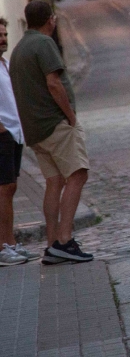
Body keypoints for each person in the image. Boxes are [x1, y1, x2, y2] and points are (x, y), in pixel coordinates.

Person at [10, 0, 93, 263]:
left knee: (54, 182)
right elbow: (54, 84)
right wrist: (70, 117)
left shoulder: (19, 48)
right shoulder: (44, 44)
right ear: (50, 19)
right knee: (78, 174)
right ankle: (65, 241)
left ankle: (52, 244)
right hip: (54, 124)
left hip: (34, 130)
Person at [0, 18, 40, 266]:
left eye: (4, 34)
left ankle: (10, 244)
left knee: (9, 189)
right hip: (3, 134)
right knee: (3, 190)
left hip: (14, 133)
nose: (3, 39)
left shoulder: (4, 64)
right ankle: (4, 248)